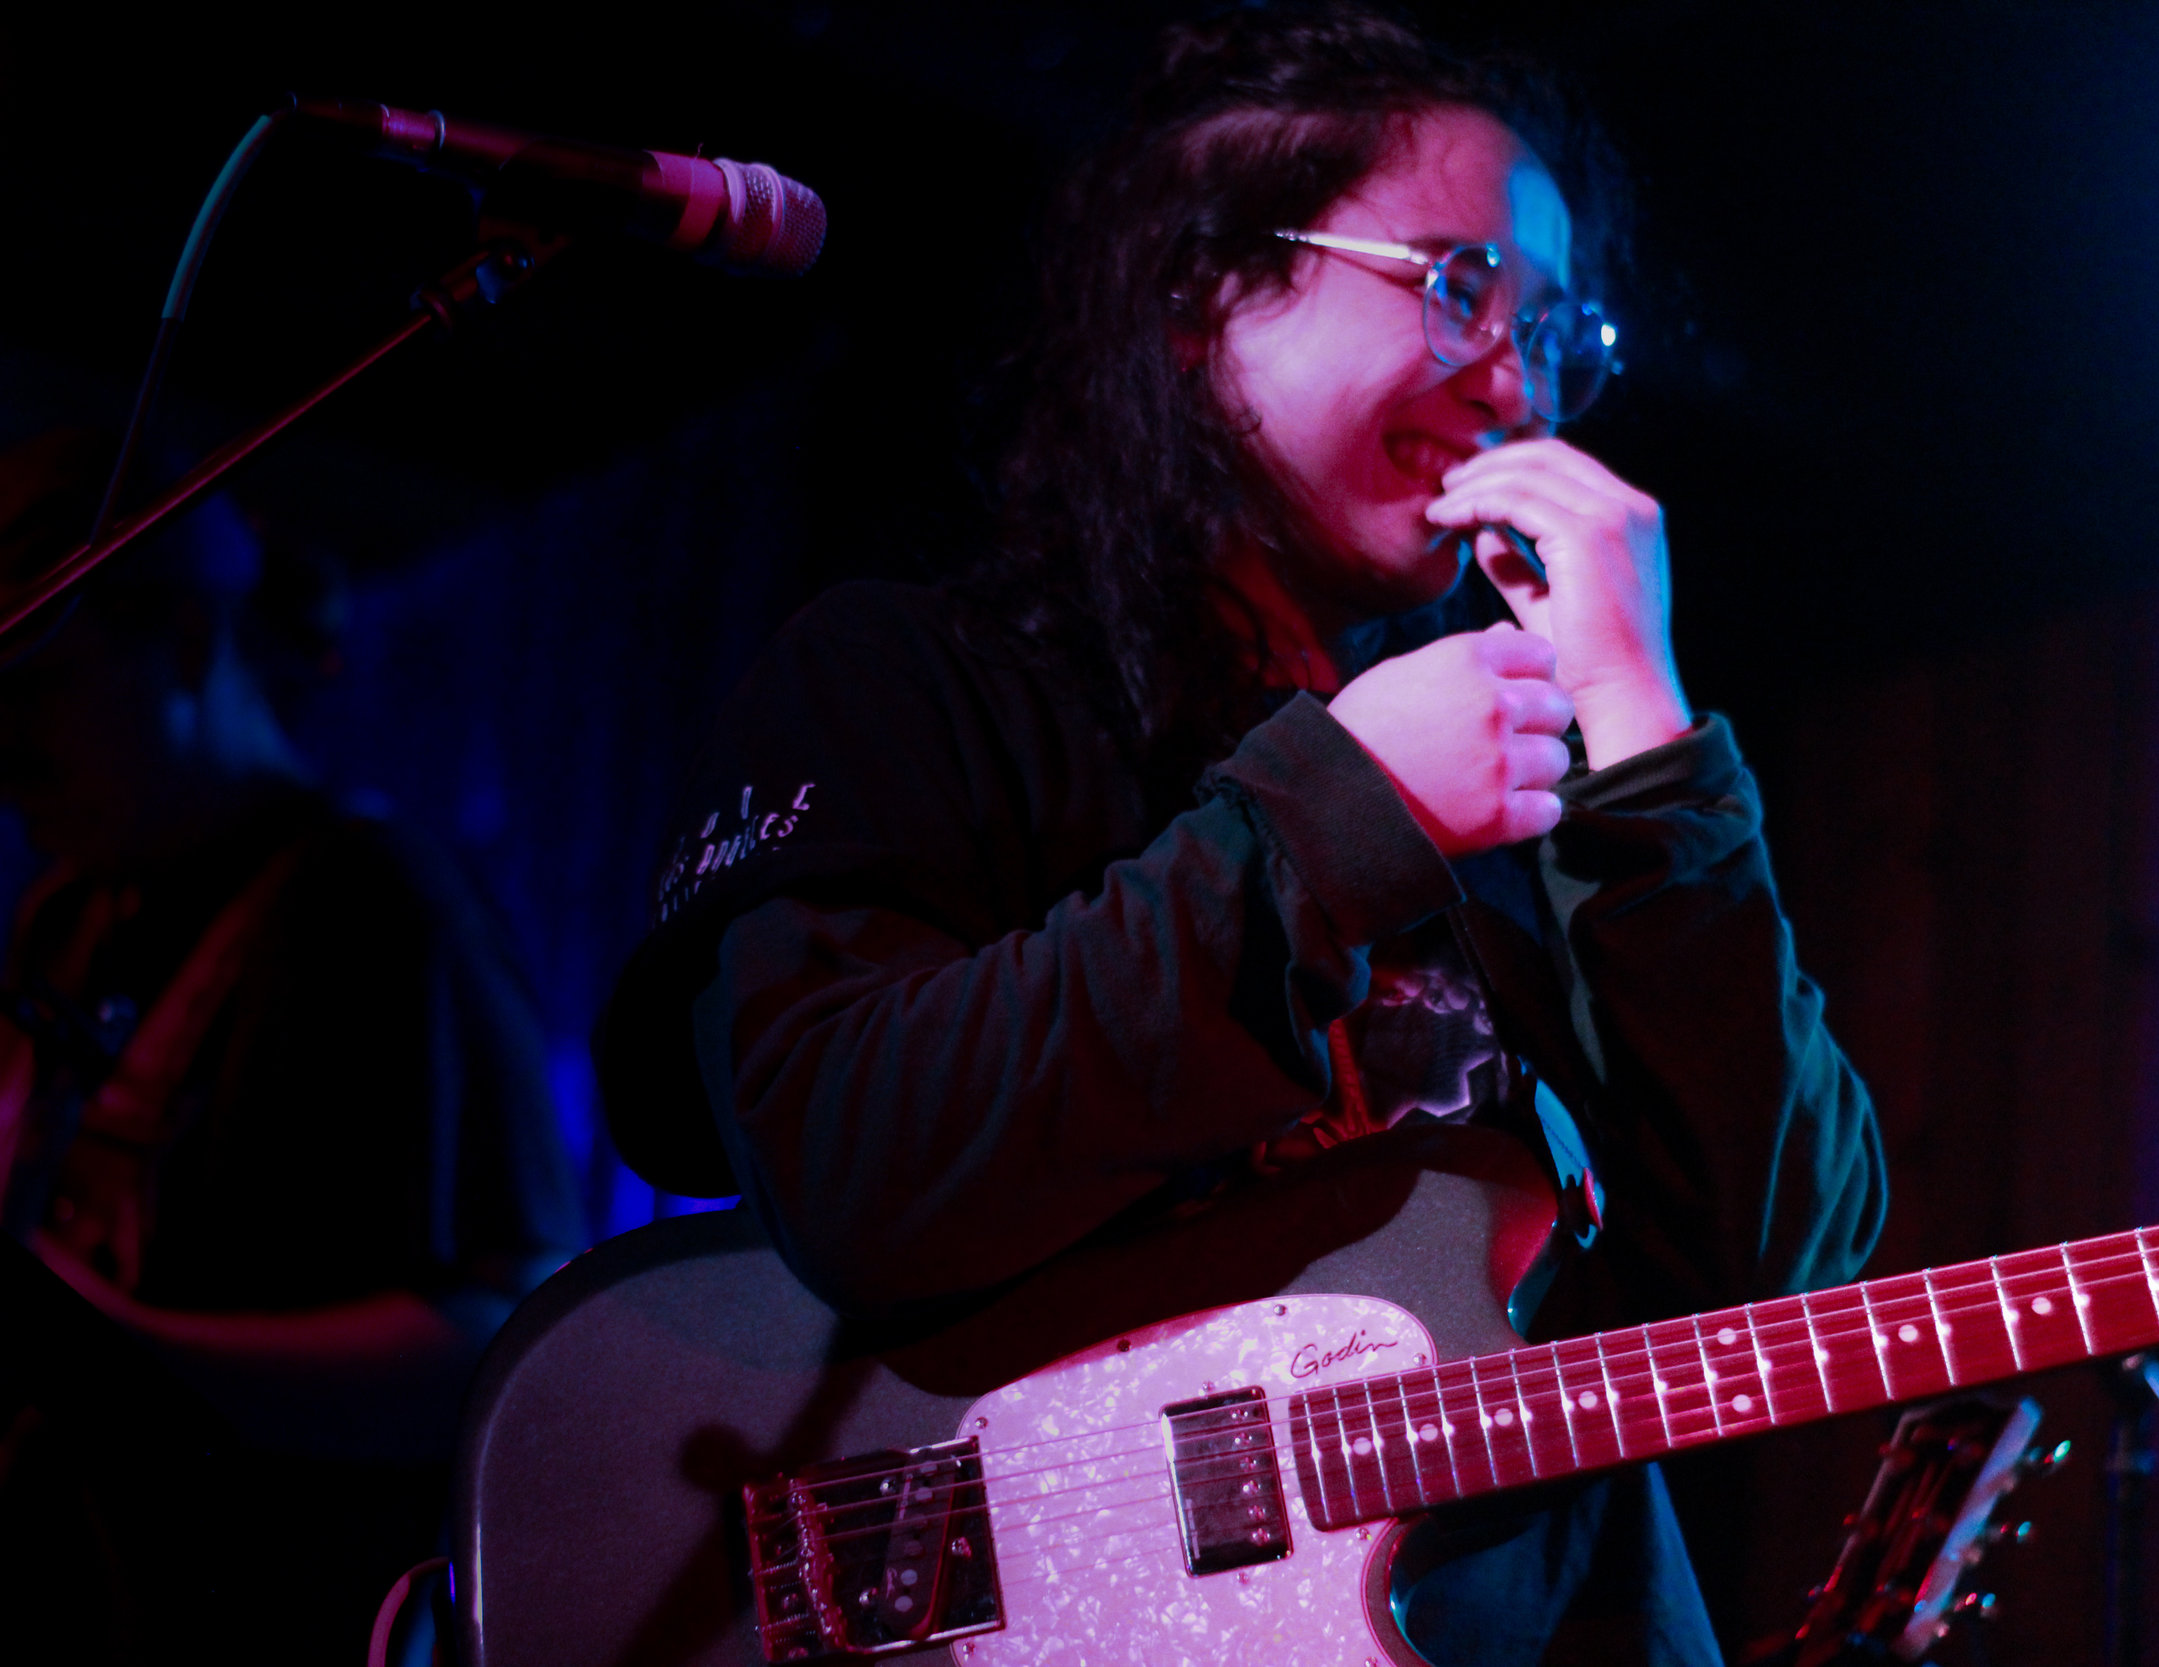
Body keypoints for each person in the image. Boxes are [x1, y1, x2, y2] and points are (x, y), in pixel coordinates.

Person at [597, 10, 1885, 1665]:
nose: (1523, 381)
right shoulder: (911, 678)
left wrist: (1645, 726)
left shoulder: (1533, 767)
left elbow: (1770, 1277)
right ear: (1209, 296)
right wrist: (1337, 820)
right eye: (1455, 289)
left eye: (1555, 323)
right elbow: (852, 1161)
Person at [0, 428, 583, 1664]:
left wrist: (122, 1359)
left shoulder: (377, 904)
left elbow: (510, 1336)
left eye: (33, 688)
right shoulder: (71, 914)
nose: (6, 752)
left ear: (191, 641)